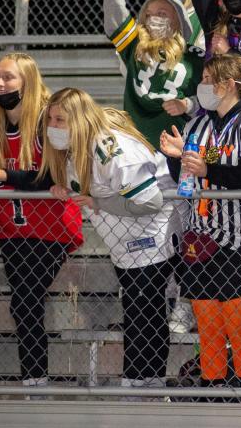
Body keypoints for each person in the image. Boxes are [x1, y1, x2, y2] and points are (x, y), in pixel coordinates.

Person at [41, 90, 178, 393]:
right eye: (50, 119)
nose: (53, 125)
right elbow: (83, 187)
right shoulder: (72, 151)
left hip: (151, 234)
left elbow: (149, 201)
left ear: (78, 119)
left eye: (60, 119)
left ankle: (141, 385)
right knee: (138, 311)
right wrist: (63, 190)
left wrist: (97, 202)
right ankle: (143, 384)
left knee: (145, 312)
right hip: (122, 242)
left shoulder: (108, 147)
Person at [159, 54, 241, 389]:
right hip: (200, 237)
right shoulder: (198, 125)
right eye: (204, 78)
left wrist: (207, 168)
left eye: (210, 78)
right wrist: (178, 158)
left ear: (230, 84)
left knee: (237, 320)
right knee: (207, 319)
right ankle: (212, 382)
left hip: (238, 237)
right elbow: (189, 177)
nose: (203, 85)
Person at [0, 54, 83, 391]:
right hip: (11, 229)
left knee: (25, 300)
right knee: (23, 302)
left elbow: (53, 175)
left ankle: (36, 381)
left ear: (27, 81)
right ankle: (34, 379)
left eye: (8, 77)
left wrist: (6, 174)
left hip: (50, 230)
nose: (0, 83)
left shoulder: (47, 121)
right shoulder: (1, 125)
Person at [104, 0, 204, 148]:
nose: (153, 19)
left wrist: (188, 104)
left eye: (162, 14)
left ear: (179, 20)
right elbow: (115, 11)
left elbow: (212, 97)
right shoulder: (135, 45)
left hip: (178, 145)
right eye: (148, 14)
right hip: (136, 142)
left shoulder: (196, 56)